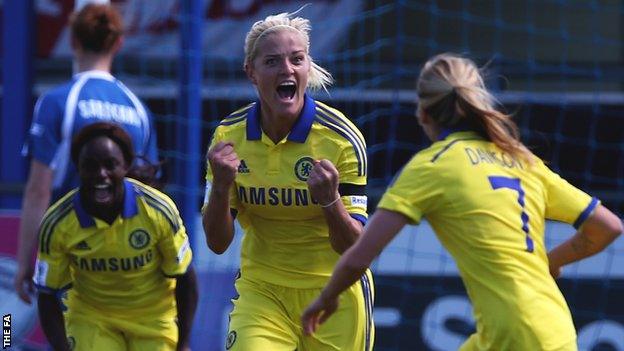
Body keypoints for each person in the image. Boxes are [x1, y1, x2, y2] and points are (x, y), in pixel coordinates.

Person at [302, 53, 623, 350]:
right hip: (556, 327)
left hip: (511, 333)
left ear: (423, 112)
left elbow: (360, 256)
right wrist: (550, 262)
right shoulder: (522, 161)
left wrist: (326, 298)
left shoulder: (433, 166)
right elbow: (607, 227)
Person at [202, 10, 374, 351]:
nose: (287, 69)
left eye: (297, 59)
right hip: (263, 291)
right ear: (251, 72)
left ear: (307, 67)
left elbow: (356, 248)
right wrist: (221, 187)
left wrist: (330, 201)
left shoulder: (342, 139)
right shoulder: (228, 137)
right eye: (272, 61)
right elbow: (217, 243)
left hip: (334, 292)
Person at [15, 3, 159, 303]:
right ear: (118, 43)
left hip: (68, 246)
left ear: (73, 40)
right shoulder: (138, 109)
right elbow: (148, 191)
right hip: (123, 256)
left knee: (18, 327)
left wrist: (24, 261)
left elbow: (39, 190)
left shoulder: (57, 102)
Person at [33, 122, 197, 351]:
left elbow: (185, 276)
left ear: (126, 166)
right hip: (92, 319)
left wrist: (185, 344)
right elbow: (47, 294)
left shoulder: (158, 210)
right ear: (78, 168)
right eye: (90, 166)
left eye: (110, 165)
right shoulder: (57, 223)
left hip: (153, 318)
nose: (101, 175)